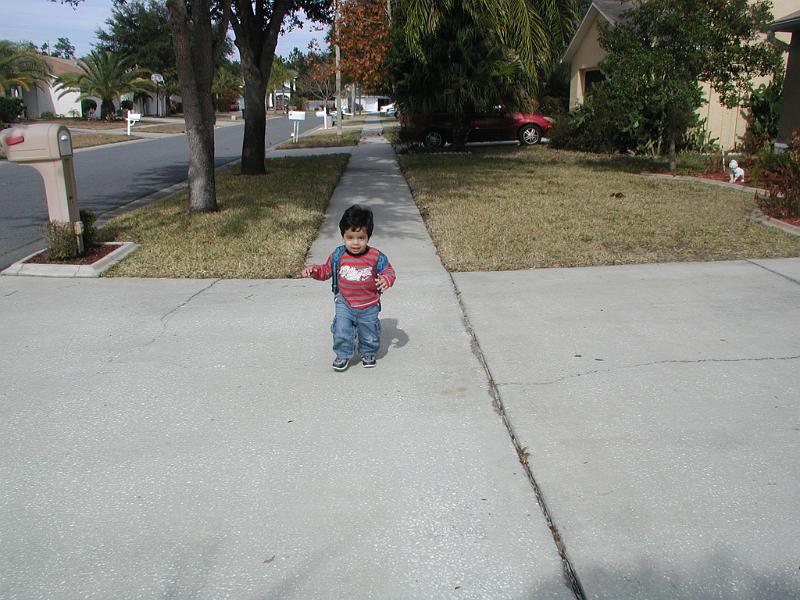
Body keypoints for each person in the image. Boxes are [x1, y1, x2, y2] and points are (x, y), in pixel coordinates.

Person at [302, 205, 396, 371]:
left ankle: (368, 352)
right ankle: (343, 354)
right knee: (341, 329)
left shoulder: (375, 256)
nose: (355, 242)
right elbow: (326, 271)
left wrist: (386, 279)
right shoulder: (339, 255)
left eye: (361, 238)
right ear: (343, 236)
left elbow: (388, 270)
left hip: (369, 304)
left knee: (368, 332)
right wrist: (314, 270)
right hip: (344, 302)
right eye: (350, 237)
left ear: (368, 236)